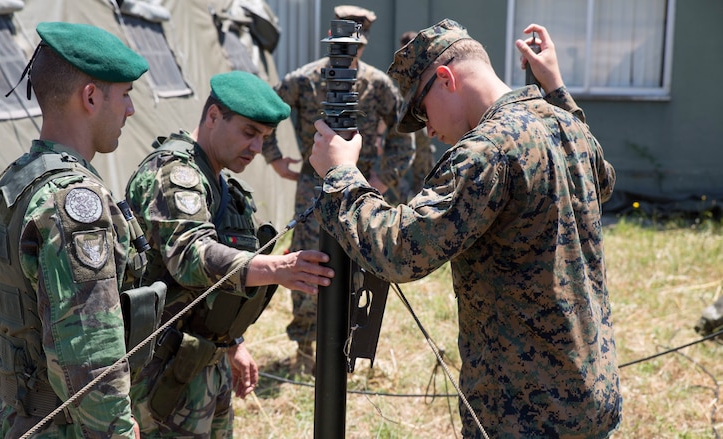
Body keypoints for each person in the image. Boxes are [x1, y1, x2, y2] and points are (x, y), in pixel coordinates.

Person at [309, 20, 621, 438]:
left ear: (445, 78)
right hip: (590, 397)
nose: (430, 131)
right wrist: (557, 88)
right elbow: (603, 182)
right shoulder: (566, 125)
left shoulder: (487, 150)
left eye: (422, 112)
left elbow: (402, 250)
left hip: (526, 416)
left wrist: (341, 174)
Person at [125, 70, 335, 438]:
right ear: (212, 117)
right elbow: (191, 255)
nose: (256, 148)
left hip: (205, 362)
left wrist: (232, 344)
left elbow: (213, 284)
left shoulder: (223, 182)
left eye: (265, 138)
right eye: (249, 133)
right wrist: (278, 267)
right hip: (164, 373)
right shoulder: (173, 174)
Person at [0, 22, 149, 438]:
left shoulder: (15, 182)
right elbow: (91, 353)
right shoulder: (74, 203)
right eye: (125, 94)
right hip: (63, 426)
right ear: (91, 97)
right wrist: (119, 431)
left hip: (15, 416)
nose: (130, 110)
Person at [262, 5, 414, 372]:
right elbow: (266, 110)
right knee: (307, 265)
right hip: (312, 191)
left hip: (356, 192)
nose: (351, 49)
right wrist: (275, 157)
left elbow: (403, 137)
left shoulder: (377, 84)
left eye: (357, 41)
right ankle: (305, 350)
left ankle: (345, 347)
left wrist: (382, 179)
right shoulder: (305, 79)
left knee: (356, 267)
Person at [395, 30, 436, 202]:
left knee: (423, 163)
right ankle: (406, 200)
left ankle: (422, 199)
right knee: (402, 163)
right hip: (405, 123)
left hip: (420, 122)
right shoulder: (401, 68)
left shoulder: (423, 67)